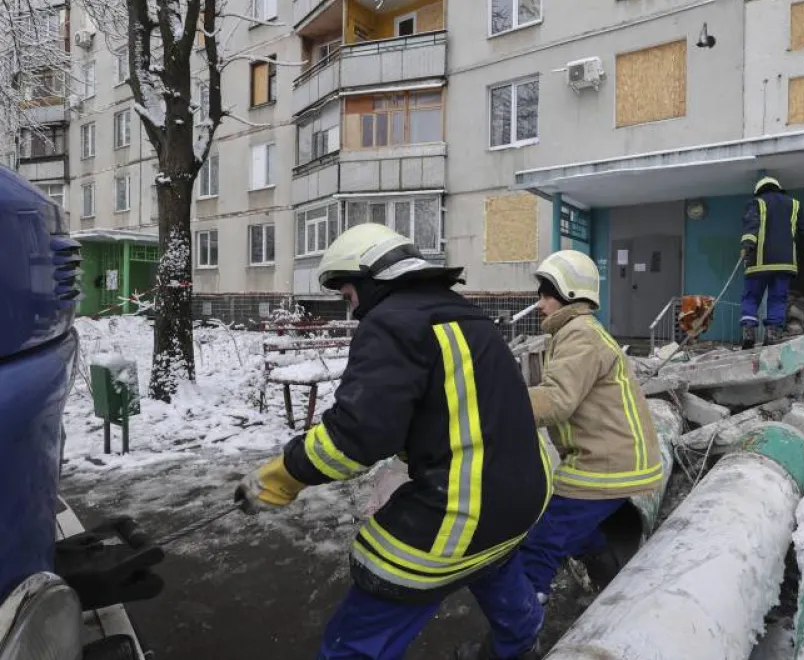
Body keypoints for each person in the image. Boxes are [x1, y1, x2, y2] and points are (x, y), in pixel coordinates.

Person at [235, 224, 553, 660]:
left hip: (467, 506)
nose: (352, 313)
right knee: (491, 557)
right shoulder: (464, 314)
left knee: (384, 571)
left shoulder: (390, 323)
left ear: (369, 280)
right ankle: (522, 641)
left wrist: (282, 476)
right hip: (526, 491)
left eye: (348, 297)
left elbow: (355, 438)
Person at [517, 250, 663, 602]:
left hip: (603, 466)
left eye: (546, 294)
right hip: (612, 459)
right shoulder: (576, 332)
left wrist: (496, 408)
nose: (540, 304)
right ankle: (609, 591)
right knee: (580, 533)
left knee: (539, 547)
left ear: (568, 294)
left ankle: (515, 639)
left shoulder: (579, 335)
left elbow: (556, 399)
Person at [739, 176, 804, 349]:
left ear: (759, 190)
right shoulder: (794, 205)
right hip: (785, 265)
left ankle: (748, 331)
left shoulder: (756, 203)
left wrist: (747, 244)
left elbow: (751, 224)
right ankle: (772, 333)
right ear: (779, 189)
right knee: (777, 299)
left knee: (751, 296)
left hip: (758, 263)